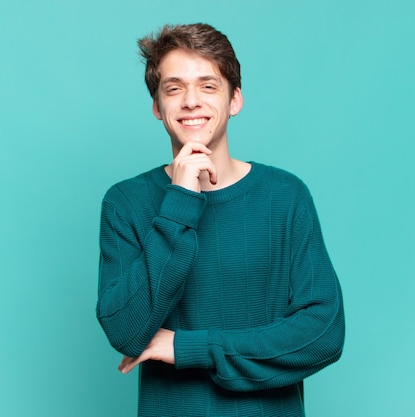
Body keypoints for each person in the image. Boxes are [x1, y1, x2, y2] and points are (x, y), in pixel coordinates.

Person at [96, 23, 345, 417]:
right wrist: (179, 200)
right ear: (158, 107)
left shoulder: (284, 195)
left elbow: (323, 334)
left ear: (235, 100)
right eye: (174, 88)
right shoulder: (126, 202)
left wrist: (186, 348)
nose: (191, 101)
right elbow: (127, 331)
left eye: (208, 86)